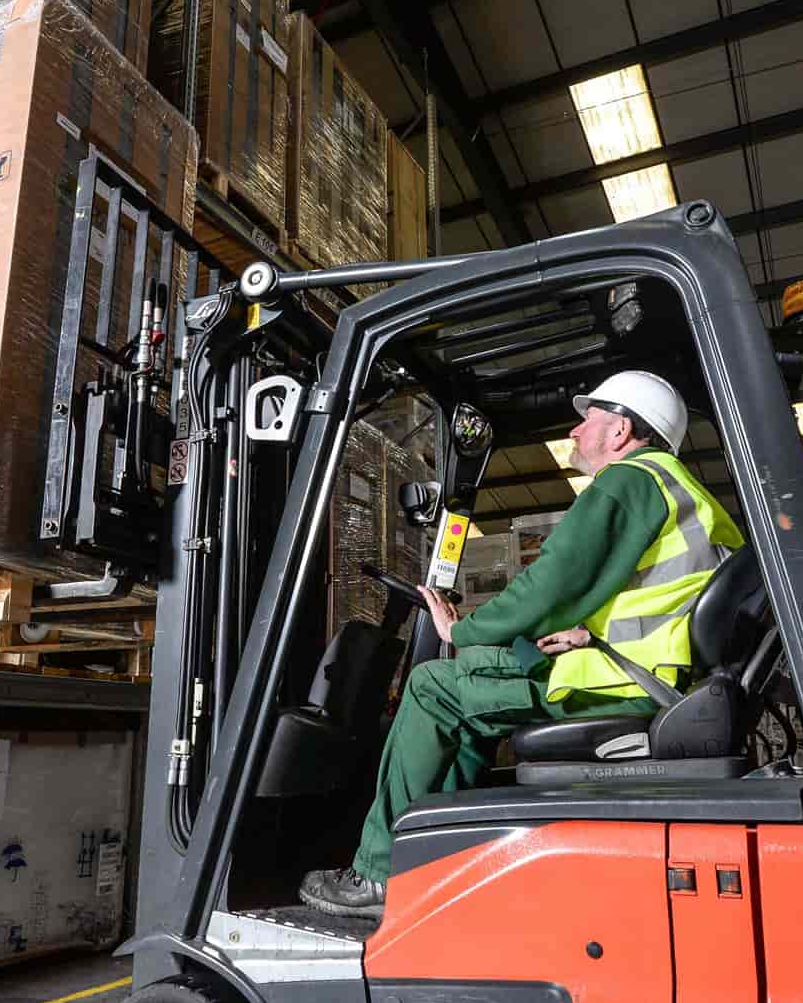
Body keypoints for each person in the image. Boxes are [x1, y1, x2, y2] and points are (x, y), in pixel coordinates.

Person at [299, 370, 745, 920]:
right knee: (474, 683)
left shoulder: (628, 482)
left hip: (626, 684)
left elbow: (552, 584)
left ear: (621, 431)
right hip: (648, 673)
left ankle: (378, 872)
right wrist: (584, 634)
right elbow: (663, 599)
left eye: (588, 420)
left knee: (432, 685)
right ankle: (442, 862)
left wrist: (462, 631)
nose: (576, 432)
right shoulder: (681, 490)